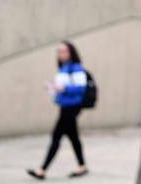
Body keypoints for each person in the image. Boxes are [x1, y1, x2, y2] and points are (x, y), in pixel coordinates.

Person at [27, 41, 88, 180]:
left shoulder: (76, 68)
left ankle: (42, 169)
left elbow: (81, 88)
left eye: (63, 51)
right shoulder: (63, 68)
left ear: (71, 52)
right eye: (59, 51)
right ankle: (82, 165)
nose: (60, 54)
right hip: (64, 106)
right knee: (73, 137)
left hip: (72, 107)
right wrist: (52, 87)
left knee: (56, 136)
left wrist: (64, 88)